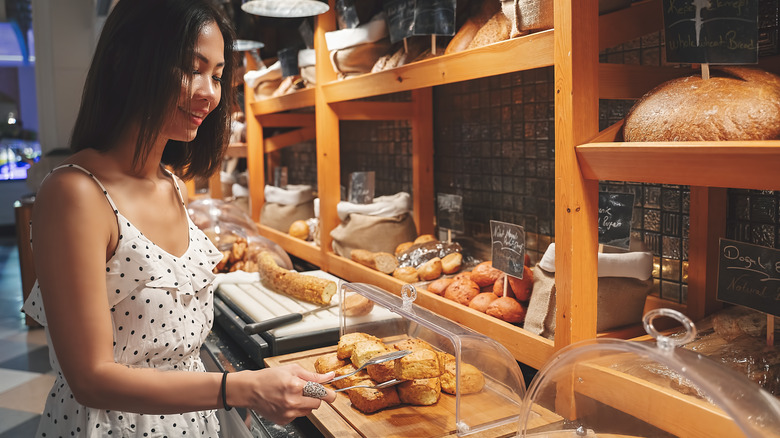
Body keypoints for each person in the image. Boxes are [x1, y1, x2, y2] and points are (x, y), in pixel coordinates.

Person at [21, 0, 336, 436]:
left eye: (219, 75)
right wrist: (238, 388)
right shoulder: (74, 193)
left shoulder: (173, 184)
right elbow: (91, 378)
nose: (208, 91)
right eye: (192, 68)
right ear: (127, 61)